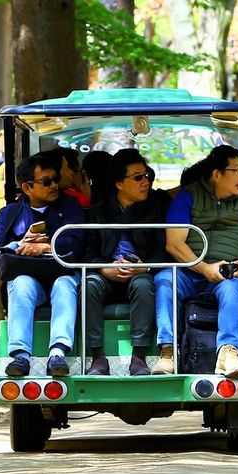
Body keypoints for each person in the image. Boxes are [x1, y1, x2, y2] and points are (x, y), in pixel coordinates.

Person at [159, 144, 238, 379]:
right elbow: (174, 243)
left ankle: (229, 354)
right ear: (216, 175)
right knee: (164, 280)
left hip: (227, 274)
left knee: (233, 288)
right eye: (236, 170)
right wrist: (204, 268)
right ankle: (167, 353)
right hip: (190, 273)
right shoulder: (188, 196)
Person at [0, 153, 89, 377]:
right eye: (46, 182)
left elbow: (77, 242)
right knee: (21, 284)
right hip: (29, 278)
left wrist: (45, 247)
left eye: (55, 179)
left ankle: (58, 353)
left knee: (64, 285)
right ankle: (20, 356)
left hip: (61, 272)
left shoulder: (70, 206)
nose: (54, 185)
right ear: (27, 188)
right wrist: (20, 244)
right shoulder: (11, 213)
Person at [81, 149, 163, 376]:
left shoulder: (155, 210)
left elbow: (162, 251)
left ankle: (139, 357)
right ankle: (97, 357)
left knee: (145, 285)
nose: (145, 182)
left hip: (139, 273)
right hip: (106, 274)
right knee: (88, 285)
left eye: (146, 175)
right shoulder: (98, 212)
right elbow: (87, 253)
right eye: (138, 177)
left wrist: (144, 266)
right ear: (119, 184)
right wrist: (103, 268)